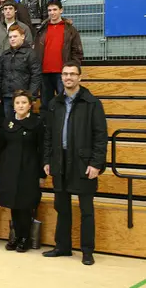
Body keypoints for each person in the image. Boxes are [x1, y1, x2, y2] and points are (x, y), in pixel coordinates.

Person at [42, 62, 107, 266]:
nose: (68, 77)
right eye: (65, 74)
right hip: (60, 161)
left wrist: (96, 163)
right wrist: (47, 159)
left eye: (72, 74)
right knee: (62, 207)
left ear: (80, 77)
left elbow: (100, 136)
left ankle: (87, 251)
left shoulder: (92, 103)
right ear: (61, 77)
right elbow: (48, 135)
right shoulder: (54, 103)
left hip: (83, 162)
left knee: (86, 210)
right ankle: (63, 246)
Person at [0, 90, 44, 253]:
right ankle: (15, 235)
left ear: (30, 105)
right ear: (13, 105)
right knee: (13, 204)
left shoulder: (36, 124)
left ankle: (25, 237)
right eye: (17, 103)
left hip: (29, 170)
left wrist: (42, 174)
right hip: (10, 170)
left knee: (25, 204)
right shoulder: (7, 123)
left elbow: (42, 149)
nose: (20, 105)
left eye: (24, 102)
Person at [35, 0, 83, 115]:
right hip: (44, 73)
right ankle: (47, 130)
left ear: (61, 10)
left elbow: (77, 52)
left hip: (63, 73)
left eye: (55, 9)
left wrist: (71, 71)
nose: (52, 12)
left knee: (66, 104)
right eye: (50, 10)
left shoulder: (70, 30)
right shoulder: (42, 29)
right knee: (46, 105)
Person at [0, 25, 41, 119]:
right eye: (10, 37)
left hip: (23, 97)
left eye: (15, 36)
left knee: (24, 123)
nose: (12, 39)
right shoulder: (5, 54)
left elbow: (36, 76)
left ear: (22, 36)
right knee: (10, 124)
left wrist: (31, 96)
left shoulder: (30, 53)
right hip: (7, 96)